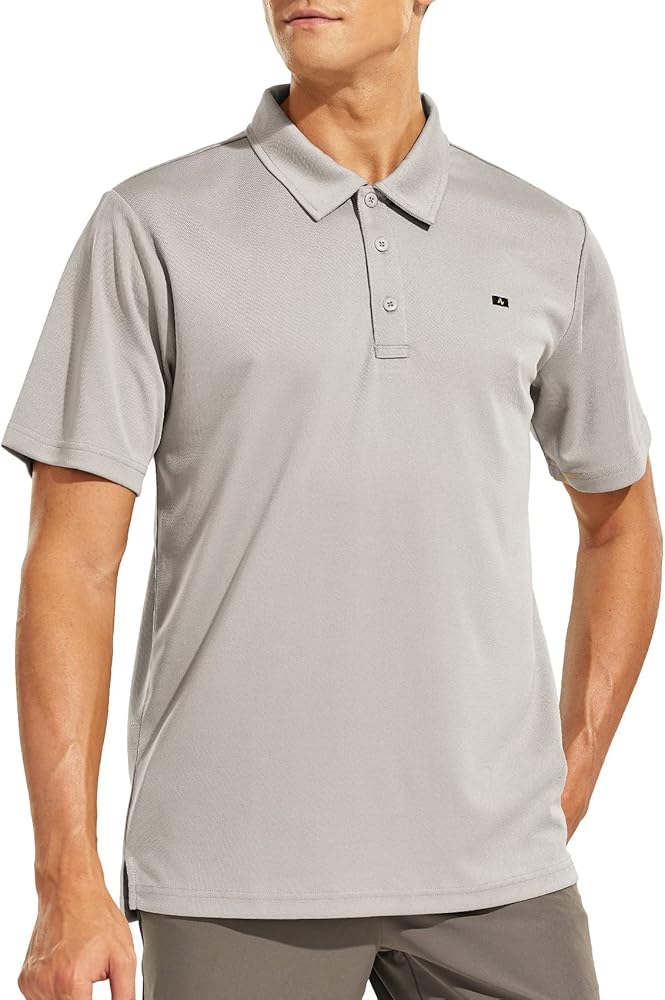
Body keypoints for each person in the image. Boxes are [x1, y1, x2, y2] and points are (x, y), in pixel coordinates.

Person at [4, 1, 661, 998]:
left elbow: (618, 520)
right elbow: (73, 560)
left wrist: (568, 773)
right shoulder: (150, 225)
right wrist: (66, 877)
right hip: (230, 875)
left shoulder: (543, 238)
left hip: (498, 876)